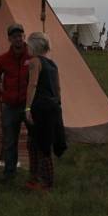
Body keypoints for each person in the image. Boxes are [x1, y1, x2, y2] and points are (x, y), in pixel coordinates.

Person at [0, 23, 31, 180]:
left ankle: (35, 171)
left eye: (20, 36)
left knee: (33, 139)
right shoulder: (4, 59)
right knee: (10, 141)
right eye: (14, 37)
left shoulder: (32, 56)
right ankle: (9, 173)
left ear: (24, 37)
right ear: (9, 39)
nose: (18, 39)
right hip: (10, 106)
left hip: (28, 106)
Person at [24, 32, 65, 191]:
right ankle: (35, 178)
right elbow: (58, 88)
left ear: (34, 45)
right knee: (34, 144)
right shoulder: (52, 64)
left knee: (40, 145)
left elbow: (32, 85)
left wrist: (27, 107)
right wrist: (58, 105)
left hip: (40, 108)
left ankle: (45, 182)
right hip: (52, 107)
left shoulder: (35, 62)